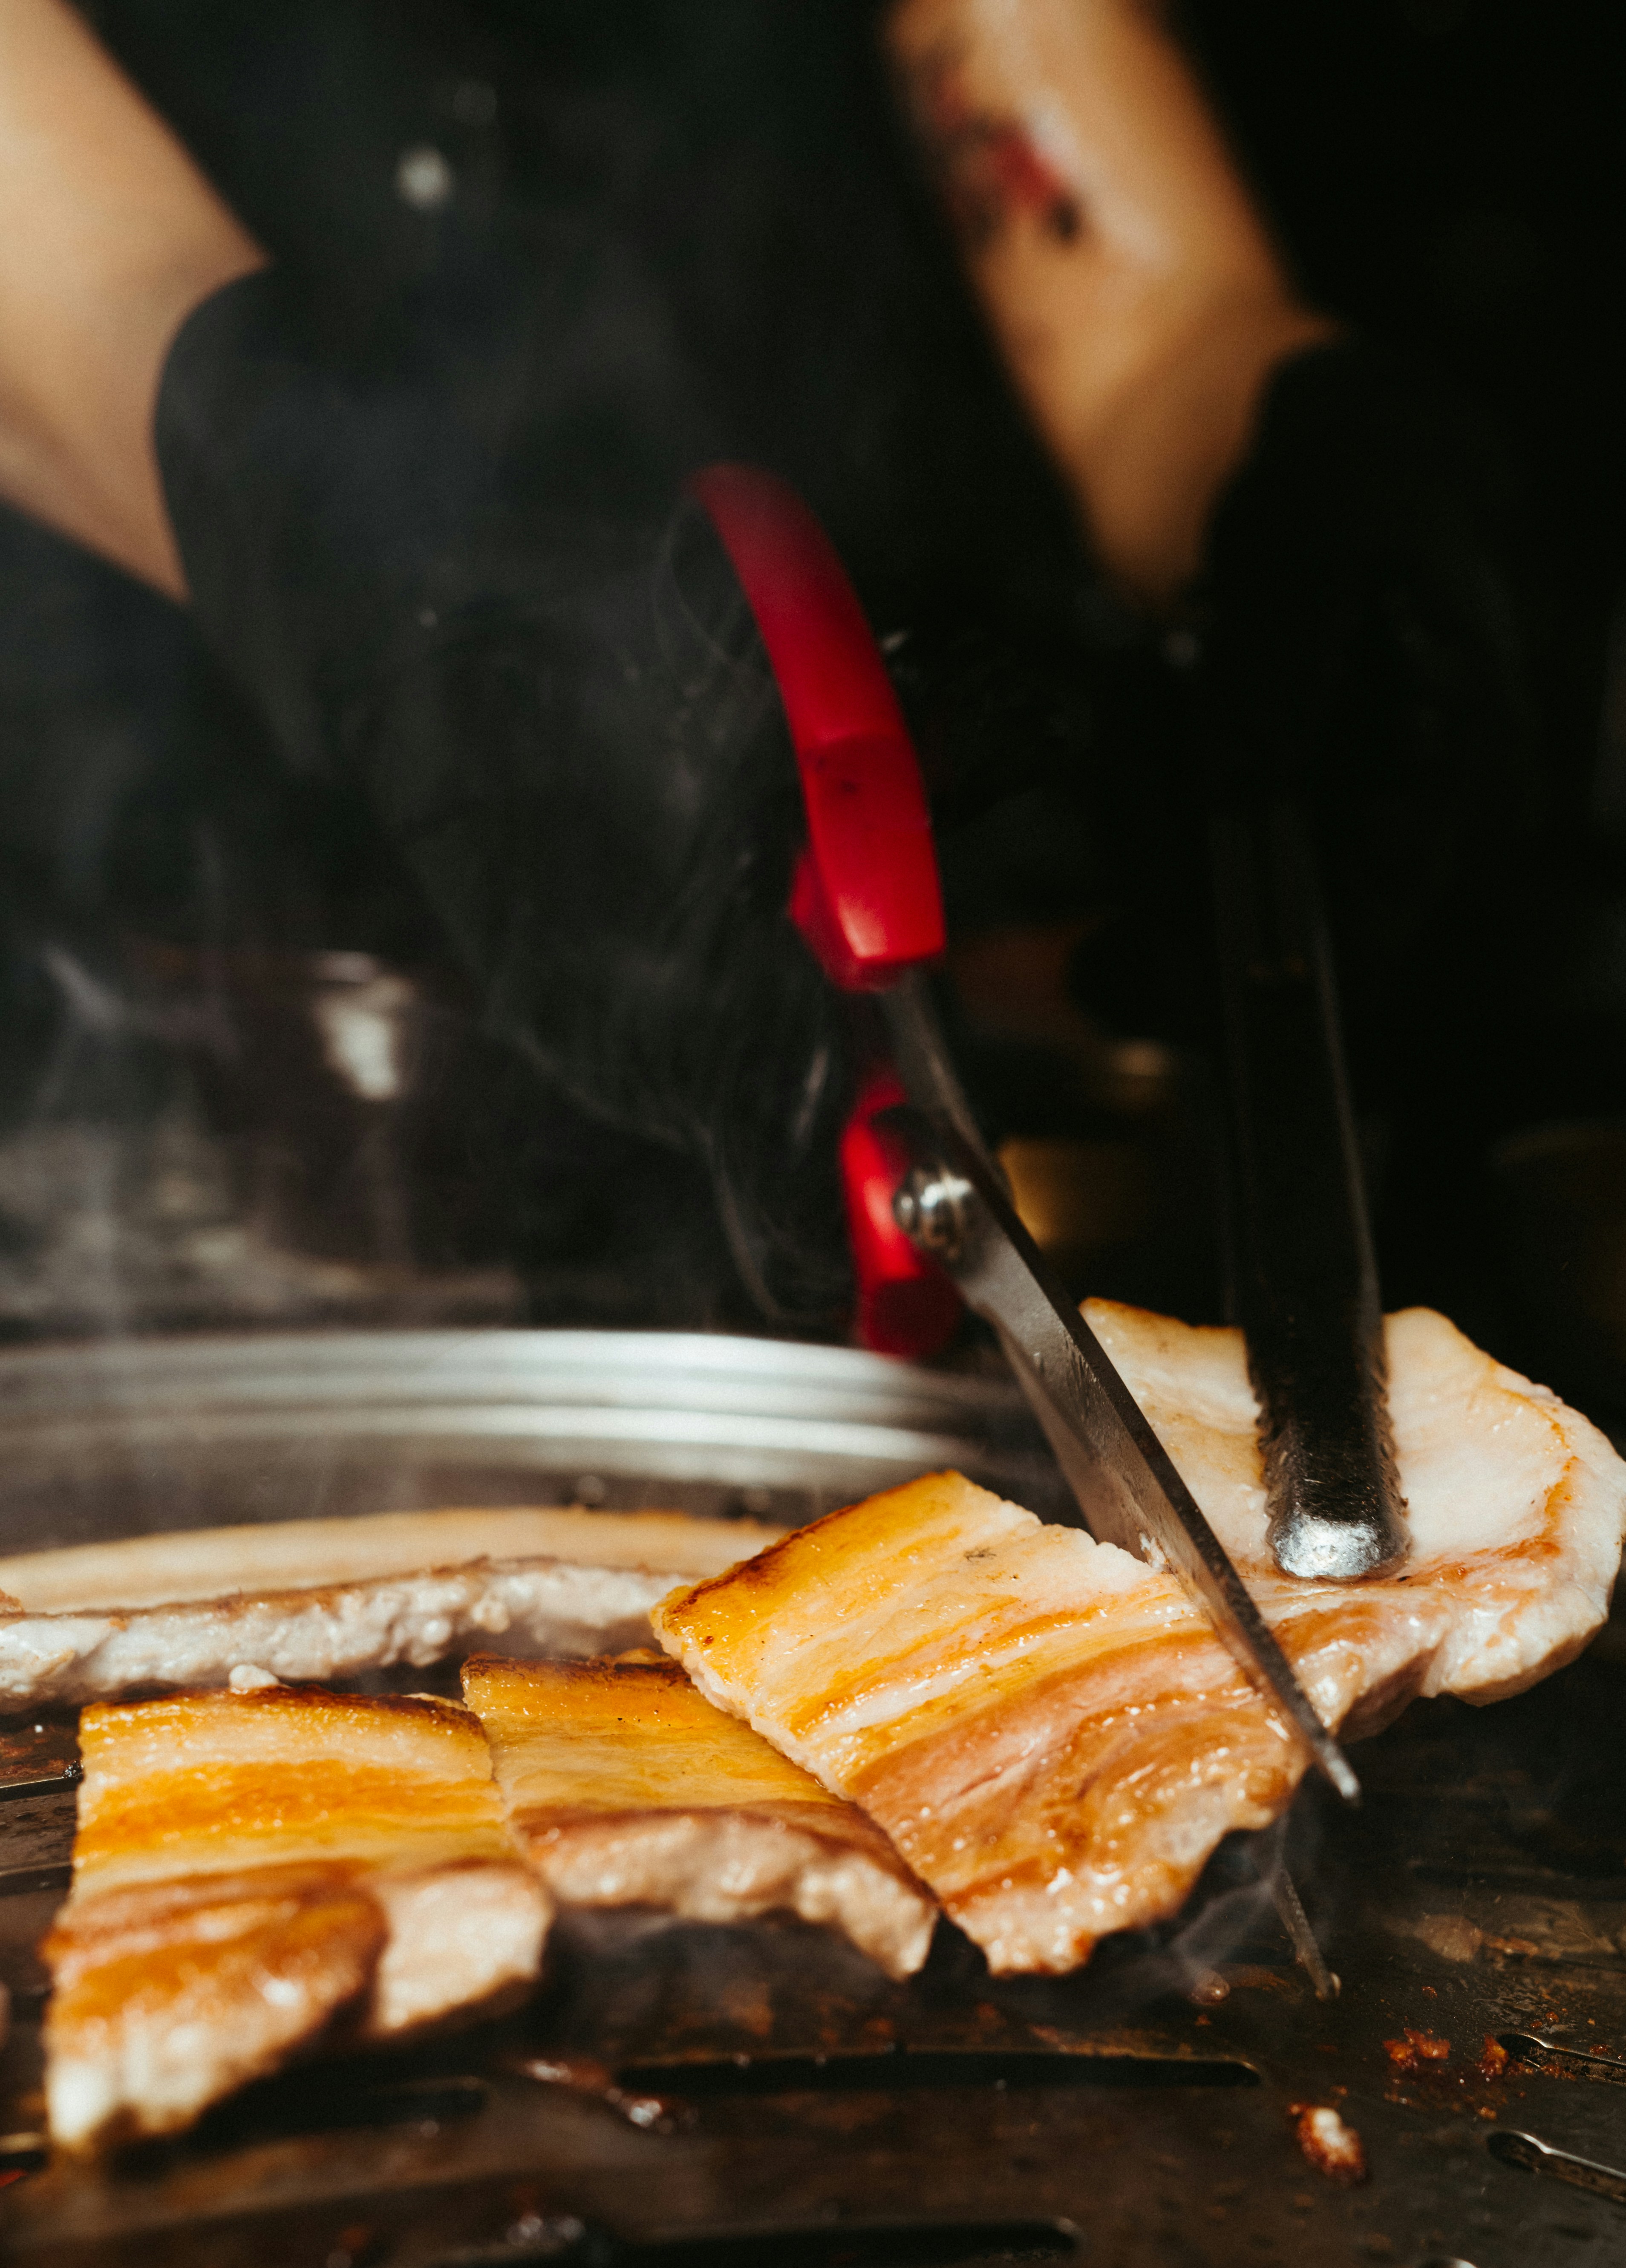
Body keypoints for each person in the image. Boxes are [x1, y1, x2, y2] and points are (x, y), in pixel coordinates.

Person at [0, 0, 1528, 1330]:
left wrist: (1279, 456)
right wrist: (330, 525)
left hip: (845, 994)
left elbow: (1131, 309)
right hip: (211, 1062)